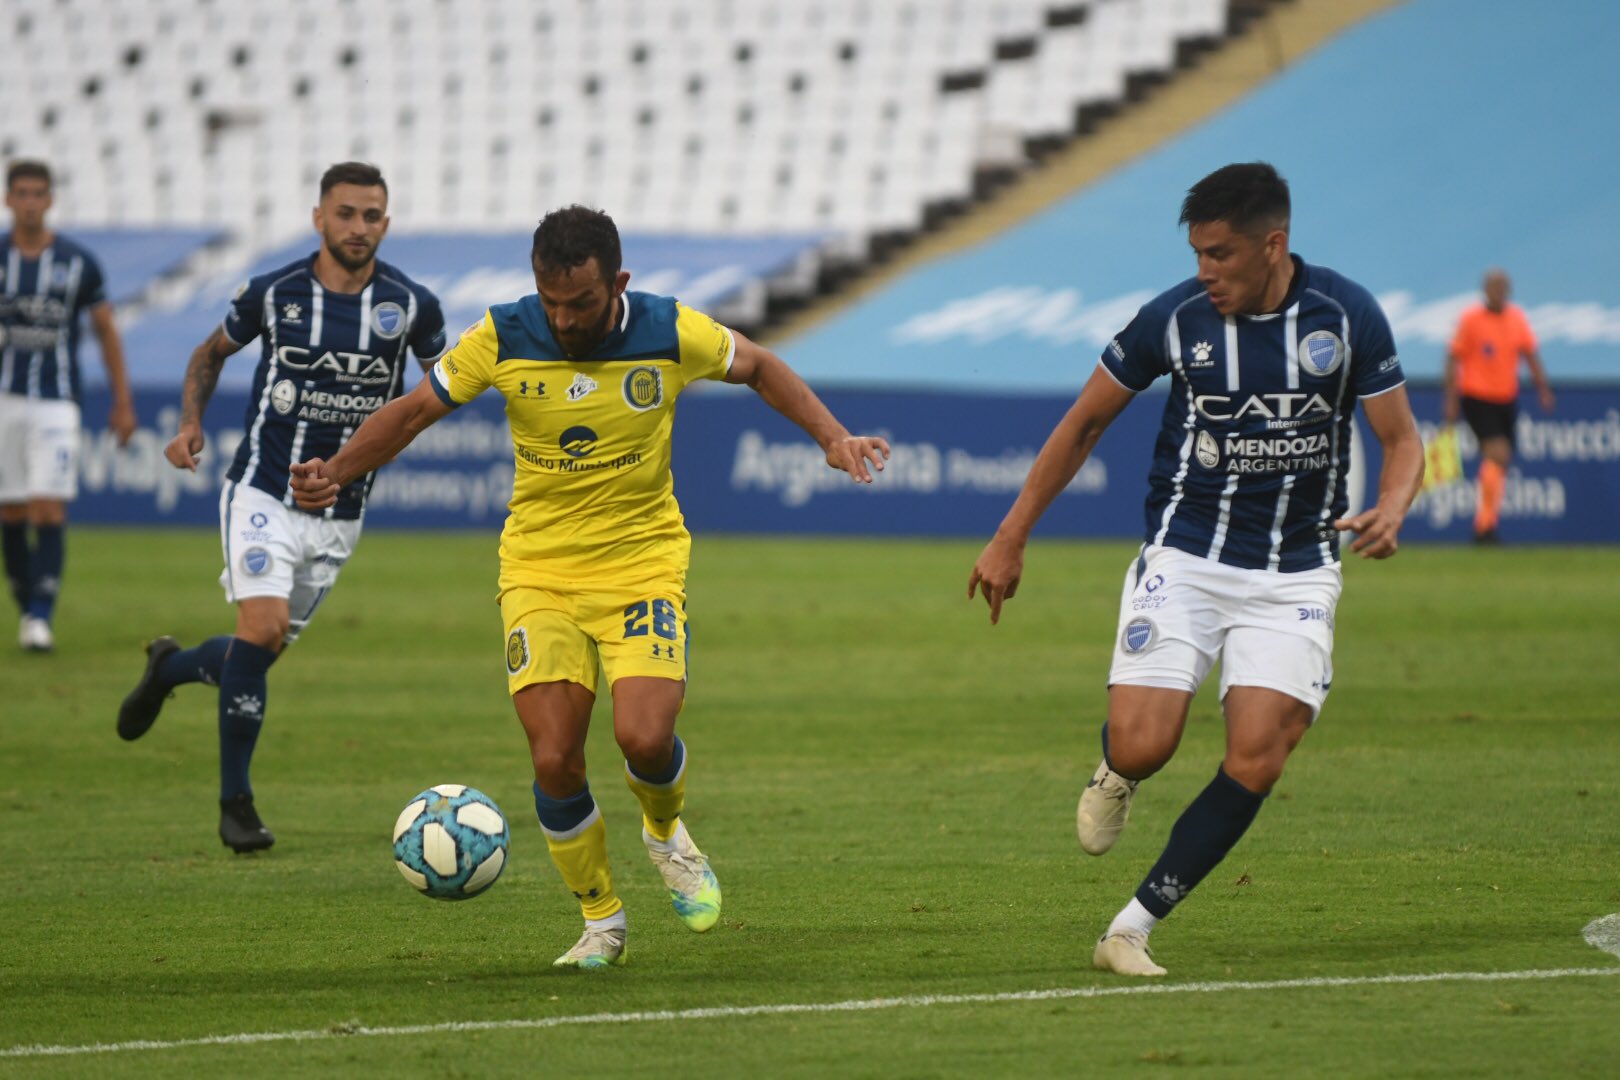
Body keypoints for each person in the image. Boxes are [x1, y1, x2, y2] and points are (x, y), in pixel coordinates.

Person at [289, 205, 890, 969]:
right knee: (553, 761)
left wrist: (833, 438)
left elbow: (763, 366)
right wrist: (336, 471)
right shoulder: (504, 334)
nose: (564, 319)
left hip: (641, 561)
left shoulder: (669, 329)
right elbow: (412, 413)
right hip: (538, 570)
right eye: (552, 302)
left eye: (580, 302)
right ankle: (602, 919)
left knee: (643, 737)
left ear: (619, 283)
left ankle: (666, 833)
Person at [968, 162, 1424, 977]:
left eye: (1220, 254)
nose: (1205, 270)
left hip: (1296, 571)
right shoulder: (1175, 319)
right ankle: (1118, 769)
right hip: (1188, 558)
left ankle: (1130, 928)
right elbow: (1082, 426)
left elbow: (1402, 440)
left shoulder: (1346, 317)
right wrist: (1011, 535)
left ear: (1272, 245)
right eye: (1198, 253)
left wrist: (1392, 506)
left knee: (1259, 752)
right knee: (1147, 745)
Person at [115, 162, 449, 853]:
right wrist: (187, 424)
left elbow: (444, 386)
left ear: (386, 222)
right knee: (261, 631)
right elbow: (209, 355)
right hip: (262, 489)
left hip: (341, 513)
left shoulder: (413, 306)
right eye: (347, 213)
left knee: (254, 656)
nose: (360, 227)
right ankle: (236, 805)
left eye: (373, 216)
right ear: (319, 217)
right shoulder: (275, 293)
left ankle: (170, 668)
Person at [1, 159, 137, 651]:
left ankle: (40, 615)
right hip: (5, 400)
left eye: (40, 193)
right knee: (12, 514)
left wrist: (122, 402)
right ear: (8, 199)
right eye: (23, 193)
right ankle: (27, 599)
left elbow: (105, 331)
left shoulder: (78, 262)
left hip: (57, 402)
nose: (32, 203)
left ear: (51, 199)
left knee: (48, 507)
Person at [1442, 269, 1554, 543]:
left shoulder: (1517, 318)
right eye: (1494, 286)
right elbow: (1453, 358)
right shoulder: (1471, 319)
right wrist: (1451, 398)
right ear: (1484, 289)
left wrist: (1543, 389)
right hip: (1477, 396)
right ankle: (1485, 527)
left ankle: (1486, 523)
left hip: (1506, 398)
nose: (1499, 291)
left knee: (1499, 461)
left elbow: (1531, 354)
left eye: (1503, 286)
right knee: (1498, 454)